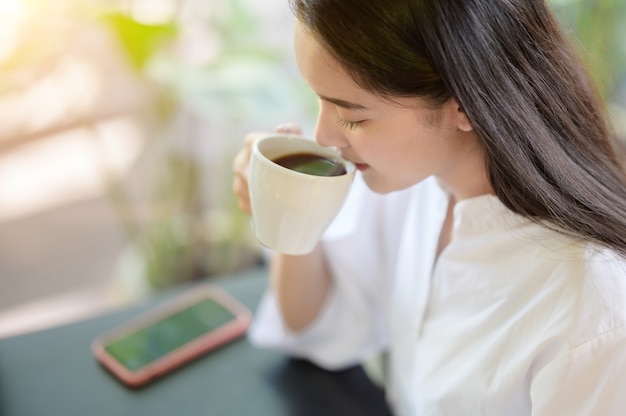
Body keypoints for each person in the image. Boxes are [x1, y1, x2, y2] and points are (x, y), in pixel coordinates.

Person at [232, 0, 626, 414]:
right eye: (319, 100)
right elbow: (309, 320)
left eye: (352, 117)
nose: (324, 136)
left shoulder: (594, 313)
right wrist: (291, 212)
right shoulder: (414, 183)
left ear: (464, 103)